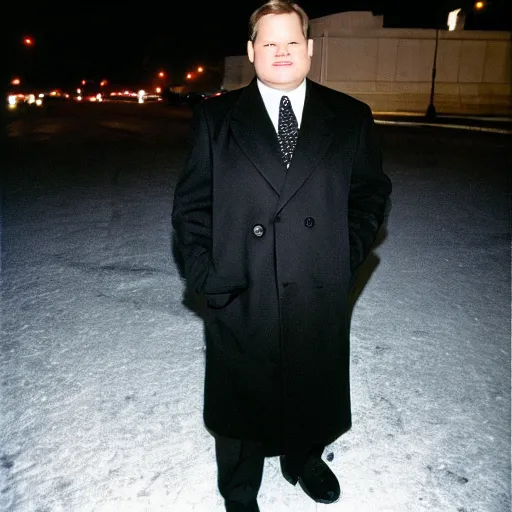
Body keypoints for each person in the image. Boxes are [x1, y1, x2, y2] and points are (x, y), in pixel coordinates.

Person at [171, 1, 392, 510]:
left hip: (317, 283)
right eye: (268, 42)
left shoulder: (351, 117)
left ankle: (302, 457)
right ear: (251, 52)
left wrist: (346, 252)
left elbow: (370, 194)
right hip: (241, 282)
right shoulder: (216, 118)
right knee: (241, 387)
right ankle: (241, 484)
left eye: (291, 41)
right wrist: (206, 274)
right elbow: (192, 208)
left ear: (310, 49)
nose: (281, 51)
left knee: (311, 375)